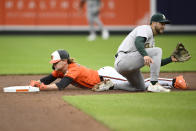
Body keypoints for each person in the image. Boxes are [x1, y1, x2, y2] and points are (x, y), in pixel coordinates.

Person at [30, 49, 187, 92]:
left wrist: (43, 87)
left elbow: (60, 86)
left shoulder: (73, 70)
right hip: (105, 78)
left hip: (106, 76)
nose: (53, 65)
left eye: (55, 63)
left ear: (64, 62)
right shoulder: (61, 70)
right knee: (135, 85)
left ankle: (174, 81)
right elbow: (49, 79)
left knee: (140, 85)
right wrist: (38, 83)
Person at [114, 13, 177, 92]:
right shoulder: (145, 29)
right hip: (124, 59)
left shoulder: (151, 41)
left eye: (164, 24)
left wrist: (171, 59)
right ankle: (154, 84)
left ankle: (112, 85)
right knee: (157, 50)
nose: (163, 26)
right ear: (153, 23)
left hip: (128, 64)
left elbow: (155, 63)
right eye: (161, 23)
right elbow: (138, 42)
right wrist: (145, 55)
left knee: (140, 87)